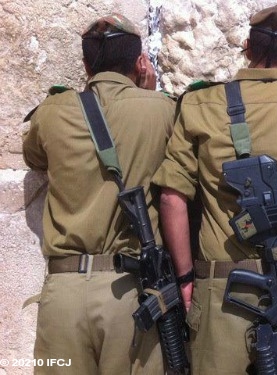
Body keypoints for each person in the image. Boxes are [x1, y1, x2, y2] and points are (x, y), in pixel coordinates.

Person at [153, 3, 277, 374]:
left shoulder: (199, 102)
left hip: (221, 290)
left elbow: (172, 197)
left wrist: (186, 279)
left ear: (248, 48)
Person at [22, 13, 174, 375]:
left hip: (64, 294)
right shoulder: (164, 110)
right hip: (129, 295)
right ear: (140, 62)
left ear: (86, 64)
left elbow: (33, 155)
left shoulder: (51, 113)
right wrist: (147, 96)